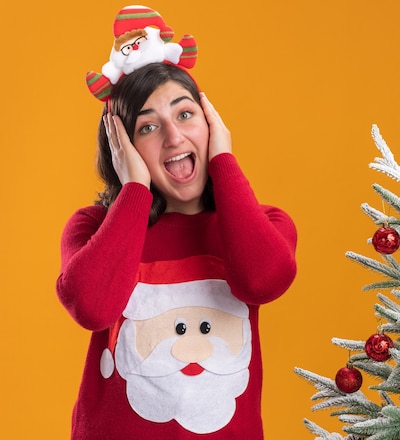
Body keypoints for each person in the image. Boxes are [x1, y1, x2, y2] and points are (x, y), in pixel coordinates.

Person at [56, 6, 297, 440]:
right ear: (122, 146)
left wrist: (223, 159)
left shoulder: (263, 223)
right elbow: (91, 307)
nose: (173, 137)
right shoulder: (92, 227)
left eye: (185, 115)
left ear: (210, 122)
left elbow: (264, 281)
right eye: (148, 127)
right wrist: (133, 191)